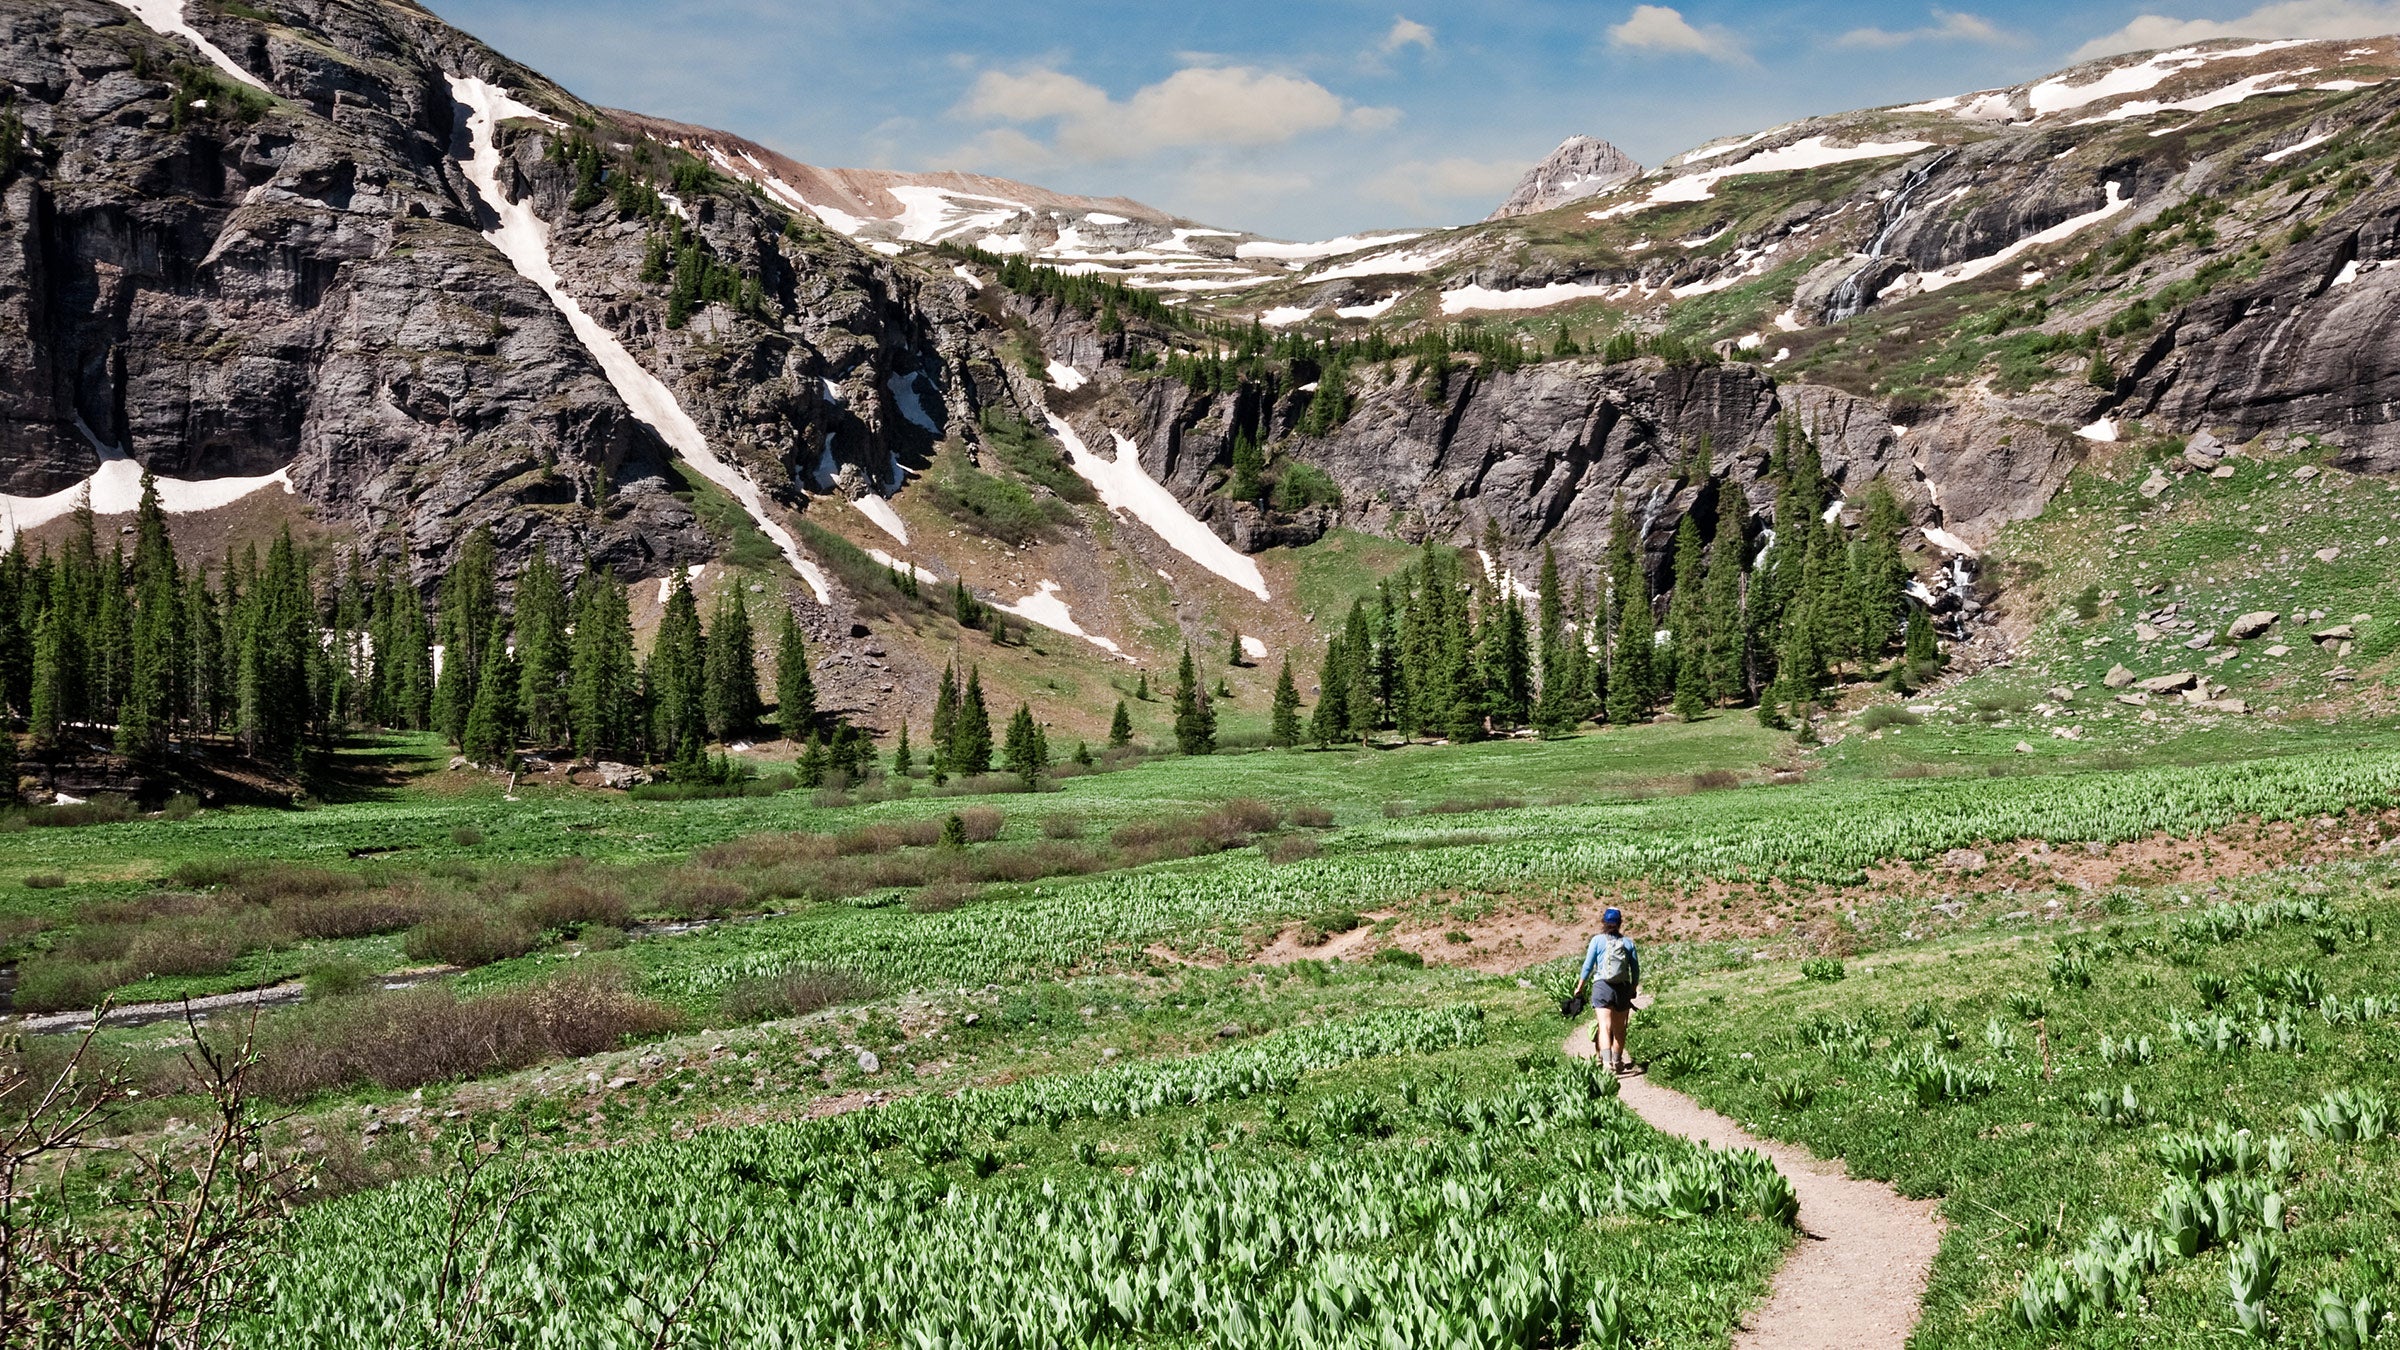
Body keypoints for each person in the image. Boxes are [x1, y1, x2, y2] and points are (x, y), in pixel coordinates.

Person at [1570, 907, 1640, 1074]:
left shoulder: (1597, 941)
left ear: (1603, 922)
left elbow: (1588, 966)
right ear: (1620, 923)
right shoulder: (1628, 943)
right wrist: (1633, 988)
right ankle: (1618, 1060)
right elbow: (1635, 970)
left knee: (1604, 1026)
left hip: (1602, 987)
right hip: (1621, 988)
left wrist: (1579, 987)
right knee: (1619, 1028)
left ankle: (1607, 1062)